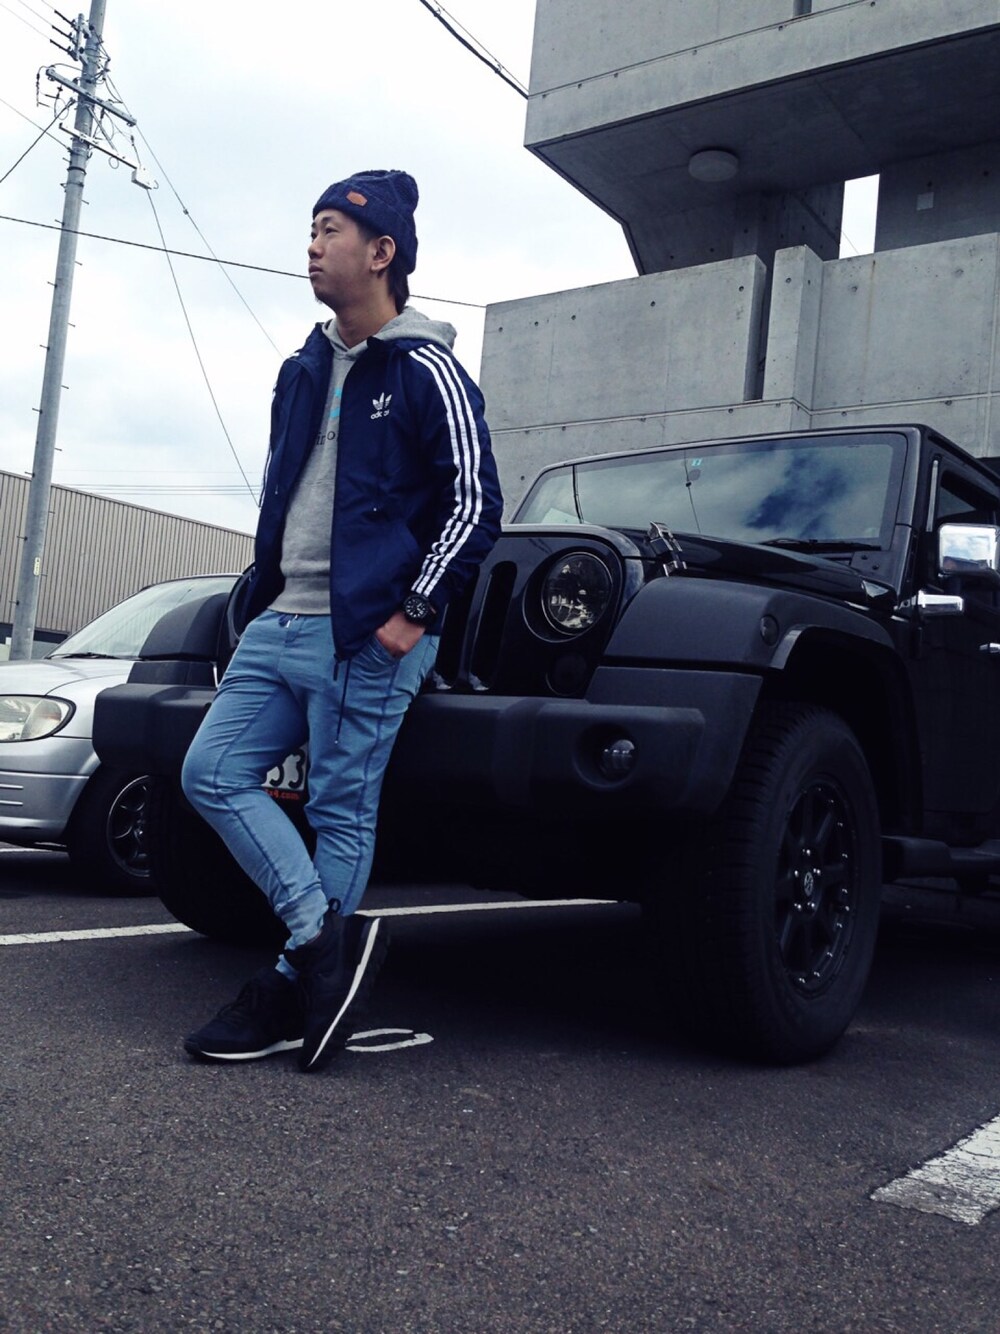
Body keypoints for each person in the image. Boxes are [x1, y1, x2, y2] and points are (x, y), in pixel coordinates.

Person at [180, 169, 503, 1072]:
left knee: (337, 807)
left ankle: (288, 987)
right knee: (211, 772)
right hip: (280, 620)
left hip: (367, 631)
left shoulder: (428, 369)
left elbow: (475, 502)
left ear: (381, 251)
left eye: (330, 230)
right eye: (312, 229)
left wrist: (414, 612)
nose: (313, 246)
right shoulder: (302, 370)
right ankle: (326, 946)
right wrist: (258, 596)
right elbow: (285, 496)